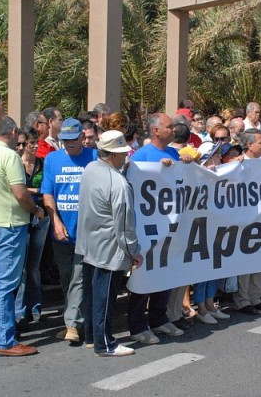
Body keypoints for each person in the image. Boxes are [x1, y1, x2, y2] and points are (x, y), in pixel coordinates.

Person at [0, 116, 43, 357]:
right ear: (13, 132)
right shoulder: (10, 157)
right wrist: (36, 210)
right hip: (8, 225)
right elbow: (20, 194)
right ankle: (4, 340)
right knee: (5, 283)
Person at [77, 130, 144, 356]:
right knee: (105, 297)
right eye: (123, 152)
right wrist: (135, 252)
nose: (126, 156)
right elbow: (124, 226)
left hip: (89, 243)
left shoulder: (90, 169)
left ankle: (91, 336)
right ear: (114, 155)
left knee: (92, 293)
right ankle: (104, 344)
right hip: (109, 247)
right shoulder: (119, 183)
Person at [128, 113, 192, 345]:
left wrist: (185, 166)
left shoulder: (174, 153)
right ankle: (137, 325)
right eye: (169, 126)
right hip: (147, 226)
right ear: (155, 130)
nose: (173, 129)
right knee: (144, 276)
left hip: (169, 225)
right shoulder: (142, 155)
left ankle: (159, 318)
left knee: (165, 271)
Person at [41, 118, 97, 343]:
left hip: (87, 230)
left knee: (79, 276)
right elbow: (48, 192)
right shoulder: (52, 159)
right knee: (67, 278)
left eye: (73, 140)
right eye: (65, 140)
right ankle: (77, 319)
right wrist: (55, 220)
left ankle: (72, 324)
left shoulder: (94, 157)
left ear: (82, 137)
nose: (69, 144)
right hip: (62, 230)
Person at [231, 129, 261, 315]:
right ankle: (243, 300)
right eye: (260, 142)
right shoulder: (239, 164)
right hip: (245, 220)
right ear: (249, 145)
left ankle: (256, 297)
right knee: (245, 261)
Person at [14, 128, 49, 323]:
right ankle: (20, 311)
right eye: (30, 143)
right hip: (22, 216)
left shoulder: (42, 164)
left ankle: (35, 307)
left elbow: (46, 188)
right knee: (22, 268)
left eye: (36, 142)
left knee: (34, 266)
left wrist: (25, 189)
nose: (34, 146)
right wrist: (30, 191)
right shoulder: (15, 164)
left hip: (41, 216)